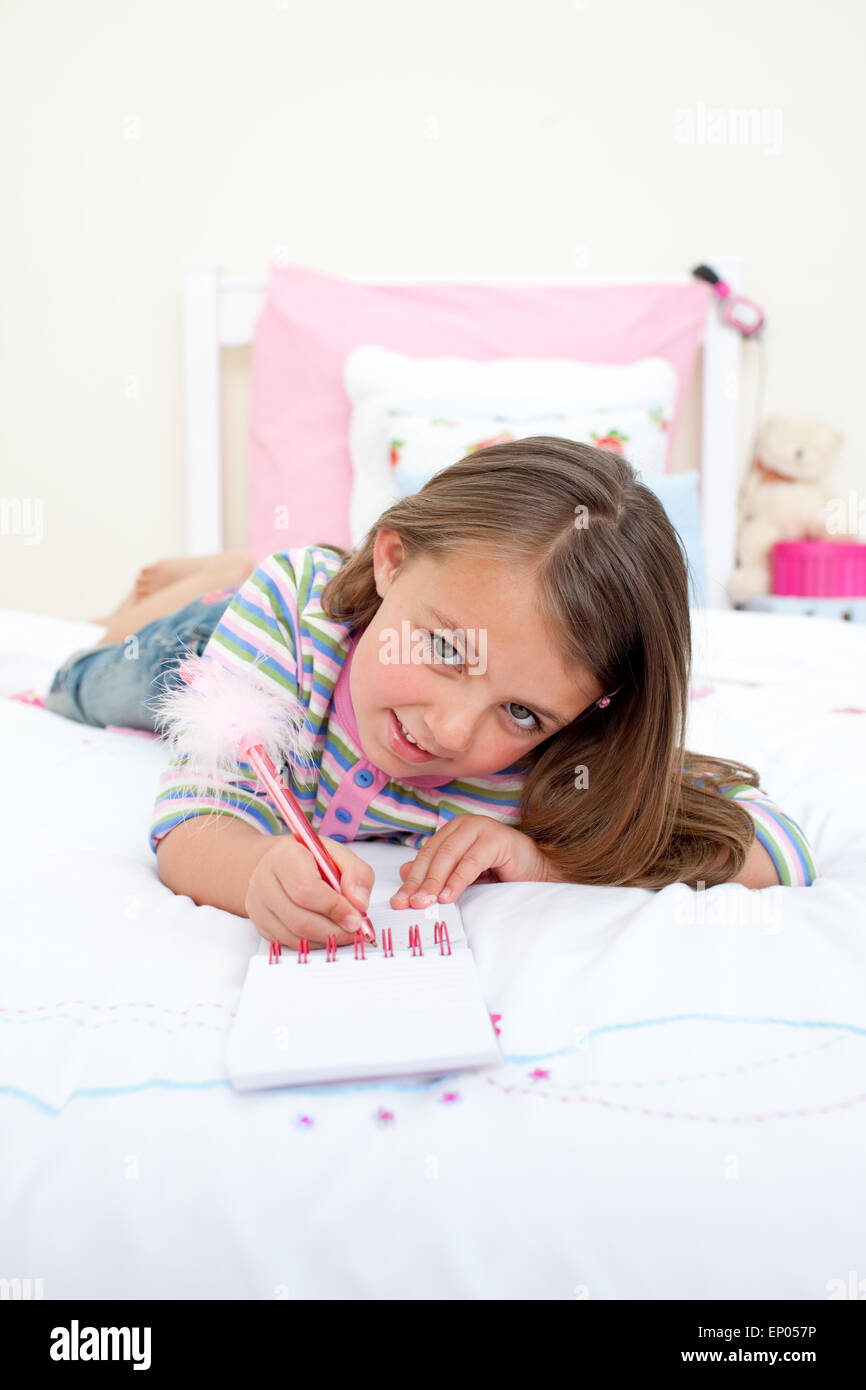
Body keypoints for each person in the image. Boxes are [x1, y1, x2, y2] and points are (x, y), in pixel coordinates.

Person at [44, 438, 819, 950]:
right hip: (220, 646)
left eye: (521, 712)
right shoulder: (288, 617)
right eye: (446, 648)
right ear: (391, 560)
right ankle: (207, 582)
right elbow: (196, 820)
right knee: (82, 682)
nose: (448, 730)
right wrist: (252, 872)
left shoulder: (570, 758)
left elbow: (778, 847)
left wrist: (541, 858)